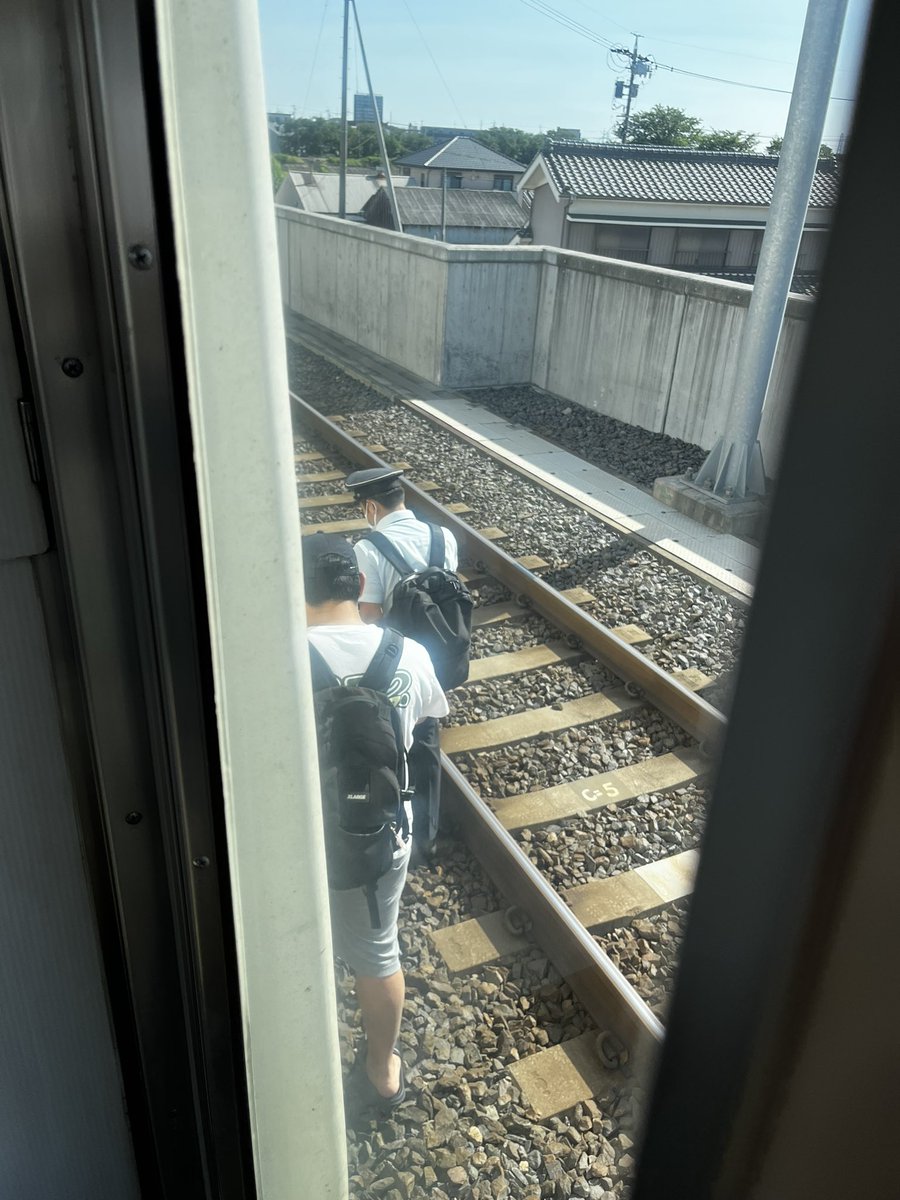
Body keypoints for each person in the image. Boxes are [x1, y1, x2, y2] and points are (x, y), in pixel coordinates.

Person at [303, 532, 448, 1107]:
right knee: (378, 951)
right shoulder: (409, 654)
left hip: (296, 836)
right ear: (360, 584)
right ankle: (383, 1073)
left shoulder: (271, 658)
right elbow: (427, 720)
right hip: (379, 837)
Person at [346, 467, 460, 860]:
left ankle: (391, 827)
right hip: (441, 653)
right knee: (427, 737)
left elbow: (371, 614)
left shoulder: (369, 547)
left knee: (390, 738)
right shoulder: (443, 536)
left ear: (371, 507)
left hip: (398, 661)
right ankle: (426, 838)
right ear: (402, 499)